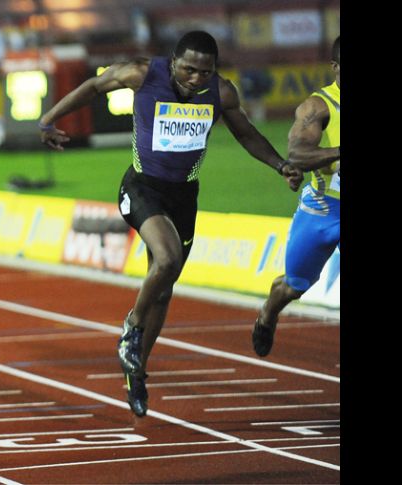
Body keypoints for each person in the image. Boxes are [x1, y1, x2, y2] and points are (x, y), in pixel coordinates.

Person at [39, 31, 303, 418]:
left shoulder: (221, 92)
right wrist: (48, 120)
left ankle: (137, 372)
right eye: (189, 69)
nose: (196, 78)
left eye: (204, 72)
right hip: (142, 187)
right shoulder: (141, 74)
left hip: (184, 198)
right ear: (173, 61)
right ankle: (131, 327)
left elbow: (246, 134)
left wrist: (280, 165)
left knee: (163, 290)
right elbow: (94, 86)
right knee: (166, 260)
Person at [252, 36, 340, 357]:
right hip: (323, 209)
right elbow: (298, 154)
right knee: (293, 285)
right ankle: (268, 314)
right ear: (335, 67)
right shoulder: (318, 107)